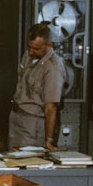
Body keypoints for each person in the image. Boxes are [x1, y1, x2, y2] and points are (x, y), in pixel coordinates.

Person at [9, 22, 66, 150]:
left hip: (33, 124)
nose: (31, 52)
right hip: (17, 118)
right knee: (12, 164)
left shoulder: (52, 68)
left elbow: (51, 108)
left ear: (48, 45)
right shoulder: (28, 55)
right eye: (29, 47)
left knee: (26, 164)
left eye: (36, 49)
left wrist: (49, 140)